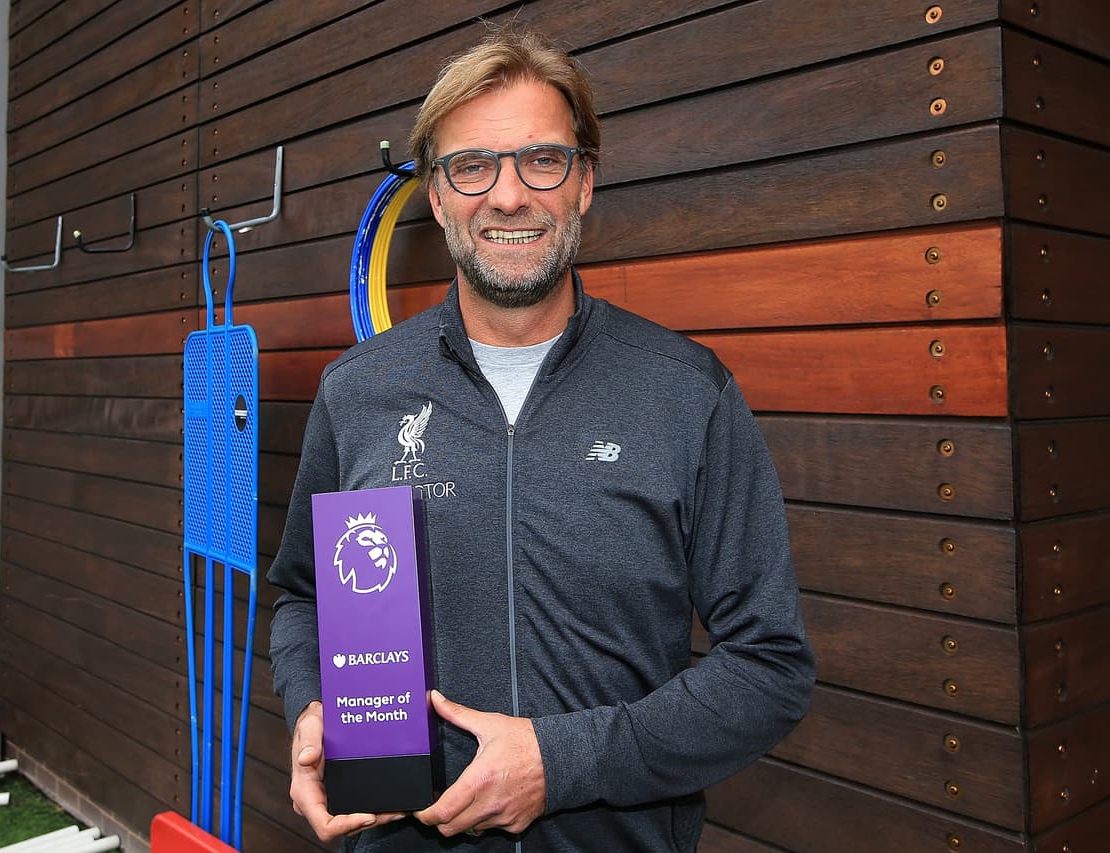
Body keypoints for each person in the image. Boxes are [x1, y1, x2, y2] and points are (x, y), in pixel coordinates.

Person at [268, 27, 815, 852]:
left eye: (542, 160)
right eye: (472, 166)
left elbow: (769, 664)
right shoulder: (360, 392)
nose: (509, 196)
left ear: (585, 181)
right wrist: (316, 705)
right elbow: (307, 598)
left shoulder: (684, 392)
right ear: (437, 196)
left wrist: (564, 762)